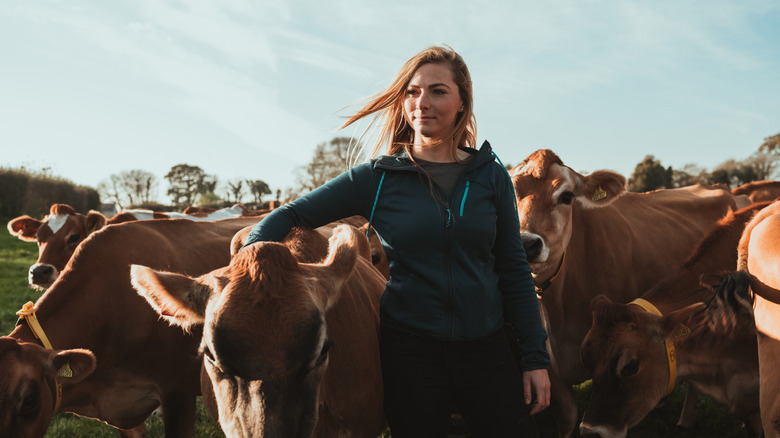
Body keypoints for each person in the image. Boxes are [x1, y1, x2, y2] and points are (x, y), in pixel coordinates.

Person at [243, 44, 550, 437]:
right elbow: (290, 214)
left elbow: (512, 268)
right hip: (411, 355)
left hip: (486, 350)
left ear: (462, 102)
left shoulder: (491, 176)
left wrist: (534, 358)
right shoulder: (378, 178)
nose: (422, 102)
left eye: (438, 91)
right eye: (412, 92)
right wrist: (247, 264)